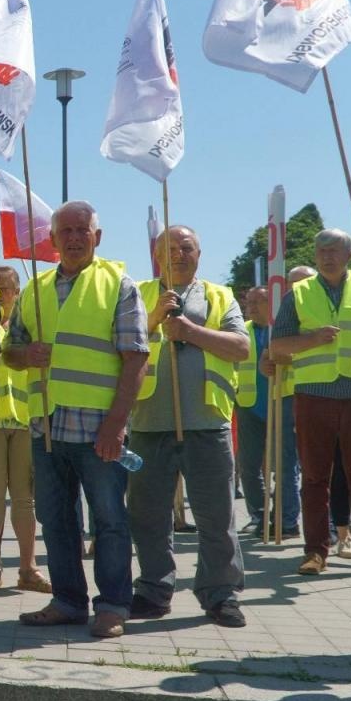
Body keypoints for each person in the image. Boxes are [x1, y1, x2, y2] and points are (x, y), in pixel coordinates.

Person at [3, 202, 149, 639]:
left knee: (108, 520)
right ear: (52, 240)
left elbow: (136, 360)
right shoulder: (35, 289)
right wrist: (24, 355)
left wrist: (116, 425)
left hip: (97, 429)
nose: (73, 237)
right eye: (64, 230)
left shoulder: (118, 285)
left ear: (97, 237)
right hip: (47, 426)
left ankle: (112, 605)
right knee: (57, 520)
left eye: (82, 229)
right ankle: (68, 601)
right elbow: (10, 351)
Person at [126, 226, 249, 628]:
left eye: (187, 247)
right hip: (149, 422)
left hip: (206, 423)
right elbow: (118, 348)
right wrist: (155, 319)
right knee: (148, 515)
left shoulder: (219, 295)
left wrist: (190, 332)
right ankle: (153, 590)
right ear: (156, 254)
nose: (178, 254)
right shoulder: (137, 294)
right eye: (170, 248)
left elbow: (241, 348)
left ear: (200, 252)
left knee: (216, 516)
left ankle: (221, 594)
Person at [269, 229, 351, 578]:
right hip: (313, 395)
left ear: (349, 254)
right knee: (315, 478)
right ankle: (316, 551)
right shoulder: (298, 293)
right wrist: (313, 339)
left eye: (334, 250)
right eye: (321, 252)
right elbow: (278, 347)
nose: (327, 256)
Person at [0, 265, 48, 594]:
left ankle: (28, 568)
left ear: (17, 293)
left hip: (23, 419)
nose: (0, 295)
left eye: (5, 289)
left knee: (25, 499)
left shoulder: (29, 326)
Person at [235, 287, 300, 537]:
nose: (250, 306)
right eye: (247, 300)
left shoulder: (283, 330)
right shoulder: (243, 330)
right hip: (249, 405)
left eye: (257, 301)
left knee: (285, 464)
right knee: (249, 466)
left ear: (271, 303)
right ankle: (258, 516)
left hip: (281, 401)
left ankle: (287, 519)